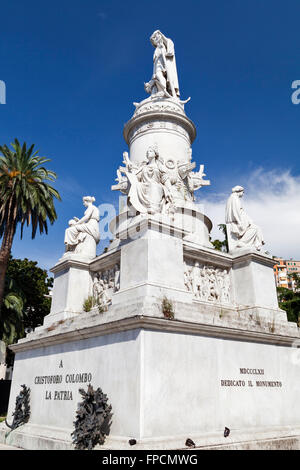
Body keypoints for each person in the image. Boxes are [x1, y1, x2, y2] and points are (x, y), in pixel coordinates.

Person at [225, 186, 265, 251]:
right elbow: (235, 211)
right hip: (239, 221)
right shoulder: (234, 198)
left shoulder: (233, 198)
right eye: (243, 192)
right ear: (239, 191)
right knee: (255, 228)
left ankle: (257, 245)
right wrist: (239, 222)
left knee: (257, 228)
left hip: (242, 219)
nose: (243, 194)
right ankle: (242, 242)